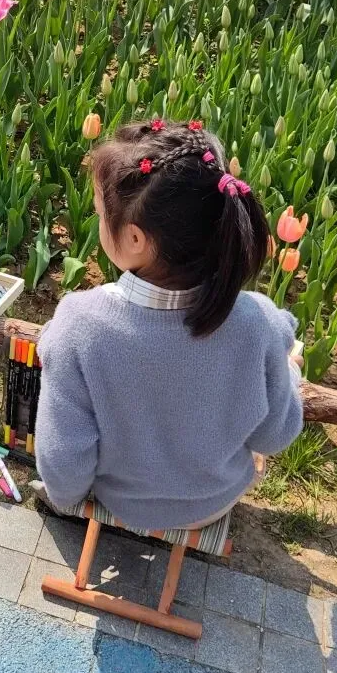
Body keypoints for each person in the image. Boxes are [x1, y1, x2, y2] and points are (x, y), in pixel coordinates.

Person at [33, 120, 303, 531]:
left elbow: (63, 465)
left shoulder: (79, 326)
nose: (98, 221)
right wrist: (291, 373)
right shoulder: (258, 320)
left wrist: (65, 499)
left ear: (136, 239)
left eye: (100, 214)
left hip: (123, 503)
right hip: (214, 503)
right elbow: (274, 436)